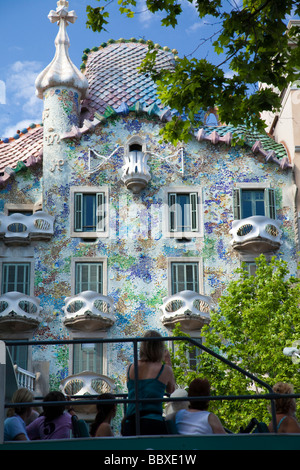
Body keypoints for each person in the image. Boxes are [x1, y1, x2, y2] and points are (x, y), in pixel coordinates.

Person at [122, 330, 176, 436]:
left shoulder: (130, 368)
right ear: (160, 348)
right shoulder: (164, 369)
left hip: (130, 422)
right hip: (153, 422)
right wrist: (168, 361)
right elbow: (171, 390)